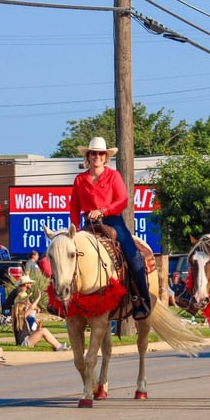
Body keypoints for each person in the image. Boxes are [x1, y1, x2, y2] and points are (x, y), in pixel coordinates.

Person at [70, 136, 151, 320]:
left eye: (101, 153)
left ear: (106, 157)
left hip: (113, 221)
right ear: (88, 156)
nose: (97, 156)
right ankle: (62, 302)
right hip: (88, 225)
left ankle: (142, 301)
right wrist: (74, 229)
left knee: (134, 258)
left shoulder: (113, 176)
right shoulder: (80, 180)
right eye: (93, 153)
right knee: (68, 255)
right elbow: (74, 206)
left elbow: (122, 200)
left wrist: (103, 210)